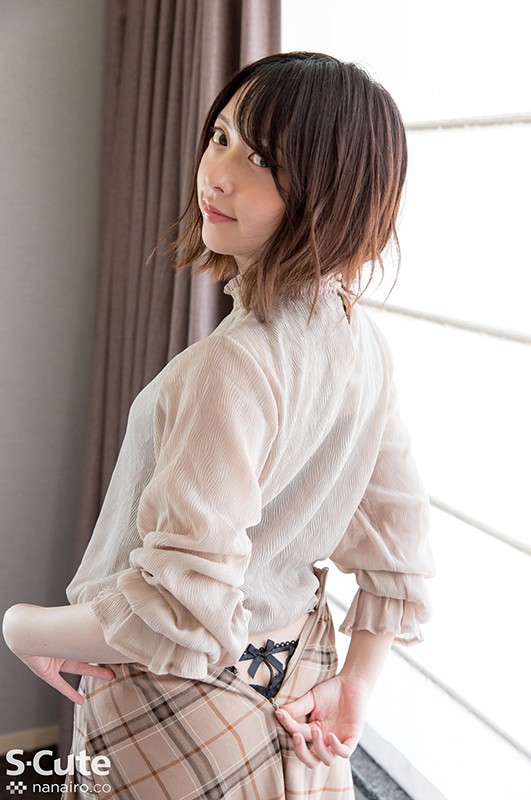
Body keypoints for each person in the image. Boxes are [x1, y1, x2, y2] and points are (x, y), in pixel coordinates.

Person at [2, 52, 435, 799]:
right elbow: (400, 546)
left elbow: (178, 612)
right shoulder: (359, 341)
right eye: (222, 137)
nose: (218, 175)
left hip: (171, 705)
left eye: (262, 160)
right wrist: (356, 685)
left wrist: (22, 626)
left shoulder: (232, 365)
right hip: (296, 685)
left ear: (333, 195)